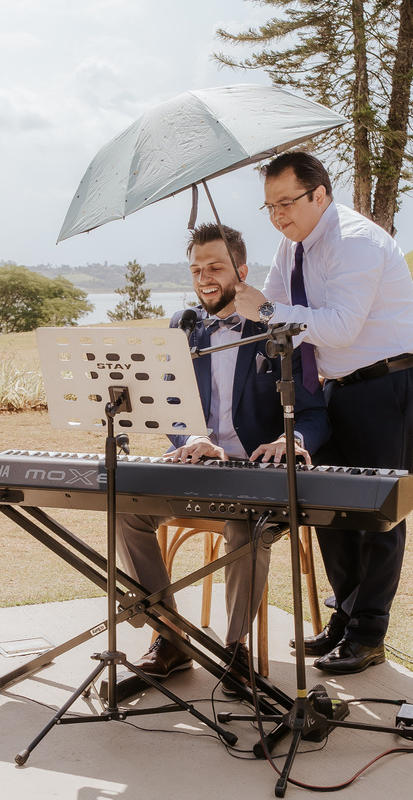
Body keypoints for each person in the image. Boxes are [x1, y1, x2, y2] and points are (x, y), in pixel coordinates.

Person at [232, 151, 413, 675]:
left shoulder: (357, 241)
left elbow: (340, 327)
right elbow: (271, 314)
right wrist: (246, 306)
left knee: (377, 508)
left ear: (320, 193)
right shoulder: (291, 247)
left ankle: (369, 633)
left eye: (286, 202)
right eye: (269, 206)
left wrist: (267, 310)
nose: (278, 215)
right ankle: (345, 615)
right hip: (335, 389)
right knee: (329, 505)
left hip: (390, 381)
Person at [118, 222, 330, 693]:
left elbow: (315, 413)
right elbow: (169, 407)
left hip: (257, 476)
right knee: (126, 509)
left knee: (244, 527)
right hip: (196, 468)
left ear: (242, 271)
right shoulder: (183, 325)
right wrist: (192, 437)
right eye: (196, 270)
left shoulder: (278, 325)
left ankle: (235, 650)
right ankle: (170, 637)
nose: (204, 278)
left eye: (215, 267)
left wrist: (290, 439)